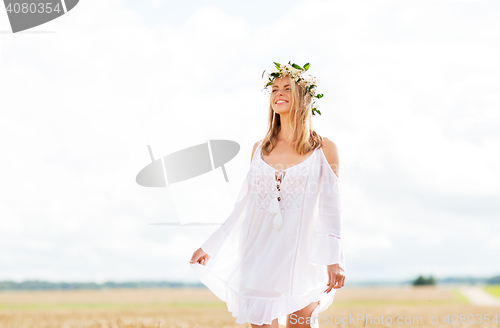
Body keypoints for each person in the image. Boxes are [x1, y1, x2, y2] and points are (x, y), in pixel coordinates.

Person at [189, 62, 346, 328]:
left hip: (301, 254)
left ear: (304, 97)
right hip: (258, 252)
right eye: (274, 89)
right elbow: (243, 206)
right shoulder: (259, 150)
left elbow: (332, 208)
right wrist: (210, 246)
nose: (278, 93)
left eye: (287, 88)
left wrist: (334, 259)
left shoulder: (324, 149)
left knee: (300, 324)